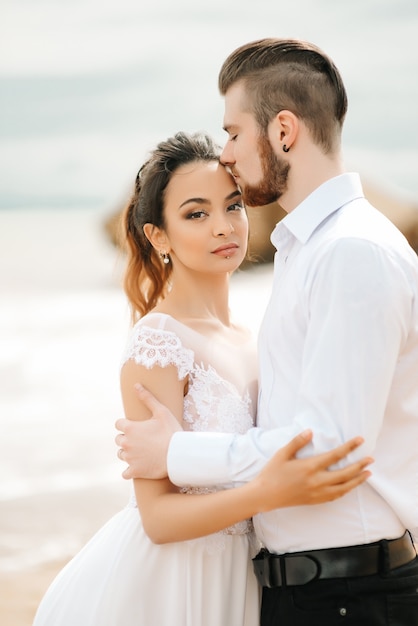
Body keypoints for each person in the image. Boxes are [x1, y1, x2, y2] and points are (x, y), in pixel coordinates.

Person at [115, 40, 418, 625]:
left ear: (283, 131)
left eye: (233, 132)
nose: (227, 153)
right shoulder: (304, 252)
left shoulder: (348, 251)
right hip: (306, 589)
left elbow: (331, 447)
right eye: (196, 213)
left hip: (349, 593)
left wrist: (177, 452)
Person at [32, 131, 371, 626]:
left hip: (247, 574)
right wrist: (268, 492)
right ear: (159, 237)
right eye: (196, 214)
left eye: (232, 206)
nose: (223, 227)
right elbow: (158, 518)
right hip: (176, 579)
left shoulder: (252, 337)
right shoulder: (158, 343)